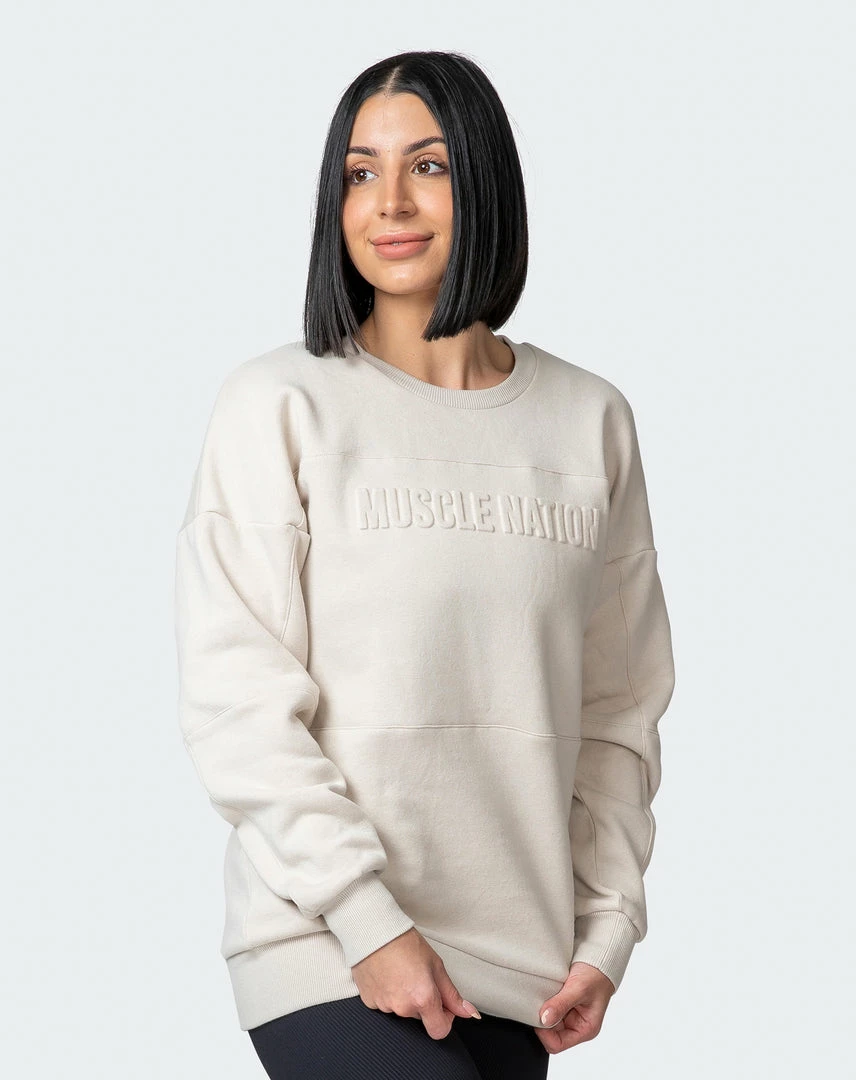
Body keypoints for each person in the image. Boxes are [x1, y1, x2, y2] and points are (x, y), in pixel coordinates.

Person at [174, 49, 676, 1080]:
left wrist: (607, 930)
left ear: (485, 182)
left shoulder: (590, 423)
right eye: (360, 172)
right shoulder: (281, 405)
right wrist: (368, 921)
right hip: (327, 945)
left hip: (527, 971)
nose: (390, 202)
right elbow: (238, 701)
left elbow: (617, 715)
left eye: (429, 166)